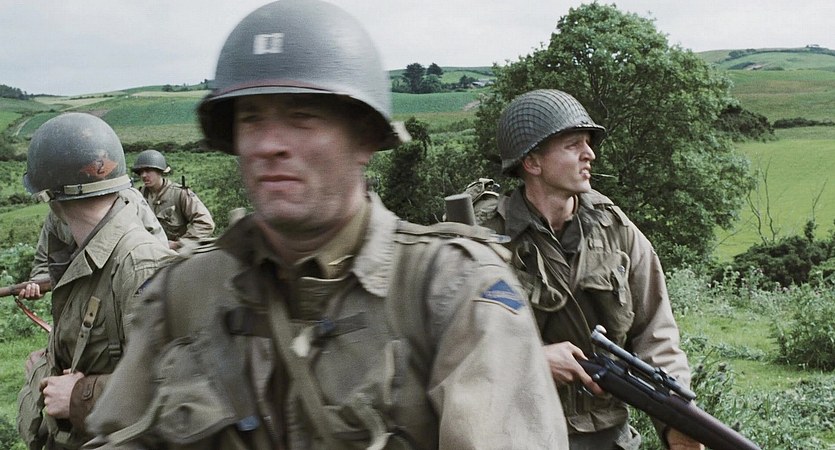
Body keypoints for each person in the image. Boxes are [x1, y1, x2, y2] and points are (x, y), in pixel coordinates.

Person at [84, 1, 568, 449]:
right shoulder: (183, 294)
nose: (269, 144)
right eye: (251, 119)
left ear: (365, 139)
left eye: (302, 117)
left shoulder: (452, 290)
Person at [471, 89, 704, 450]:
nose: (590, 153)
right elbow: (448, 346)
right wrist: (531, 361)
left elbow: (656, 335)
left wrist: (678, 421)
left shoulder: (616, 230)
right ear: (532, 162)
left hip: (608, 437)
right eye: (573, 144)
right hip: (514, 434)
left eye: (588, 143)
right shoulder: (482, 240)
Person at [15, 112, 176, 450]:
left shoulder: (139, 264)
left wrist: (79, 395)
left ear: (49, 196)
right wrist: (48, 362)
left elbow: (174, 393)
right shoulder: (87, 256)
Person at [28, 187, 167, 283]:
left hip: (129, 280)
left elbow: (157, 242)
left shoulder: (128, 197)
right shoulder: (56, 213)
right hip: (81, 292)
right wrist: (38, 282)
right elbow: (43, 260)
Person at [132, 149, 215, 250]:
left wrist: (180, 244)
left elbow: (205, 223)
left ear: (160, 171)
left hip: (176, 253)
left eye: (148, 170)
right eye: (140, 172)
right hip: (147, 251)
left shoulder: (179, 194)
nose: (143, 175)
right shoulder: (137, 196)